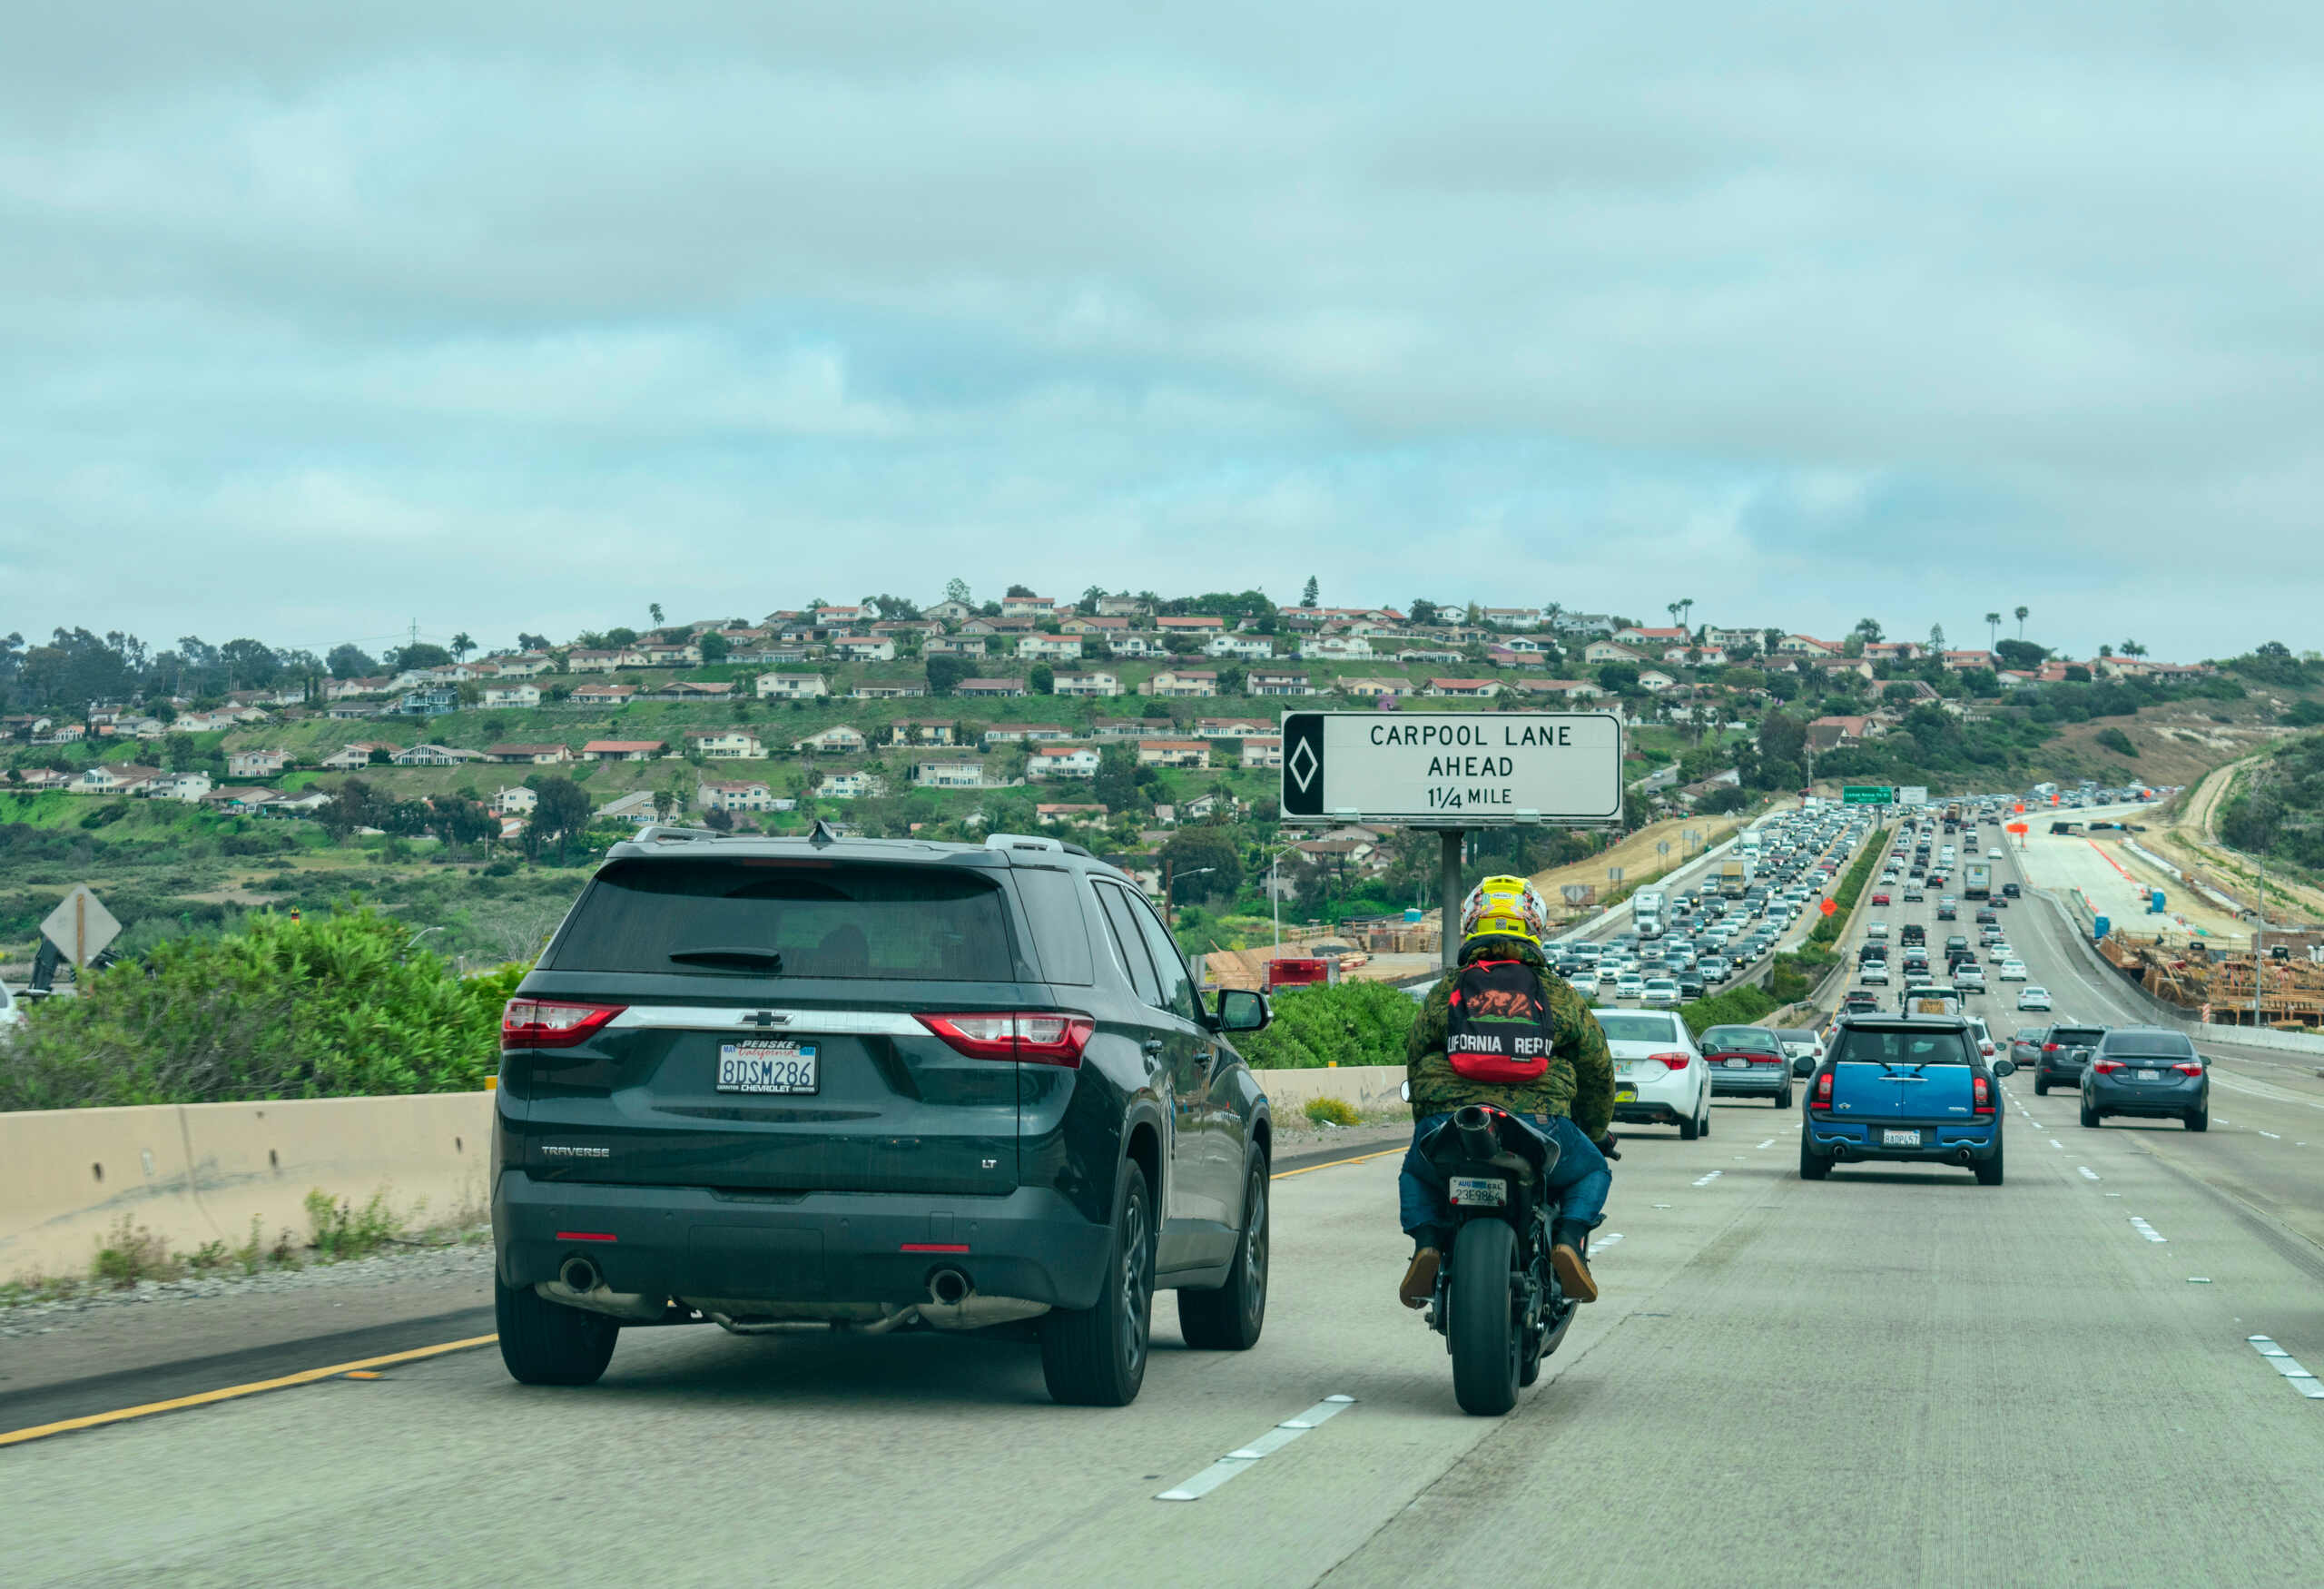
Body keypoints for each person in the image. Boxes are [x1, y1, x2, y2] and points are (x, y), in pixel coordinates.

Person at [1398, 874, 1616, 1308]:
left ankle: (1428, 1243)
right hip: (1540, 1125)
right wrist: (1593, 1133)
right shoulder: (1557, 994)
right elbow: (1597, 1068)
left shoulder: (1448, 990)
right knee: (1593, 1171)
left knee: (1416, 1171)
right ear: (1535, 926)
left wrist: (1429, 1120)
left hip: (1454, 1121)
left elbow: (1417, 1056)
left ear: (1470, 925)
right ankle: (1569, 1239)